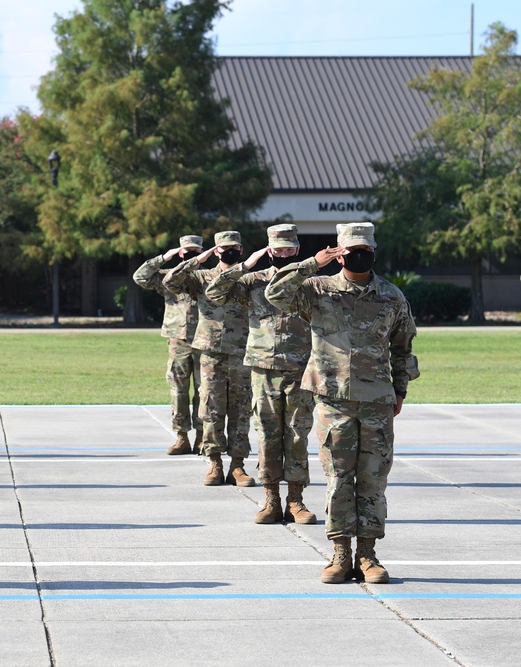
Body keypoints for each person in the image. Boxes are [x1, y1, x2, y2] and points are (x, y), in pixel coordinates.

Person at [265, 222, 419, 584]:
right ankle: (339, 554)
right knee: (337, 479)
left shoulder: (391, 296)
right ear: (339, 251)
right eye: (352, 250)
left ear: (374, 253)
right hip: (334, 401)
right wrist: (310, 264)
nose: (359, 255)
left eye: (365, 249)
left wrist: (400, 391)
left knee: (373, 480)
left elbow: (403, 347)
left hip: (377, 402)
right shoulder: (317, 290)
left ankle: (368, 556)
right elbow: (274, 294)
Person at [205, 224, 316, 524]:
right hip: (263, 369)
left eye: (289, 249)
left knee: (296, 434)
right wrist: (244, 265)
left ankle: (296, 500)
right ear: (269, 250)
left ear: (297, 250)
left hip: (299, 369)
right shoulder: (253, 282)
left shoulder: (309, 283)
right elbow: (214, 292)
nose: (283, 254)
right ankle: (271, 499)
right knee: (267, 435)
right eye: (277, 249)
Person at [163, 231, 255, 487]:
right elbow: (170, 282)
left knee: (241, 409)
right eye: (223, 248)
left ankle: (238, 465)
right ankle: (215, 462)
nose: (229, 252)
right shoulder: (200, 278)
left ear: (241, 249)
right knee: (211, 408)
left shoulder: (248, 277)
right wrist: (197, 259)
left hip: (241, 352)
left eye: (233, 247)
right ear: (215, 250)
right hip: (211, 352)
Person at [134, 235, 205, 455]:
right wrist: (165, 257)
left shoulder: (208, 277)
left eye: (195, 252)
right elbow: (140, 277)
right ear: (179, 253)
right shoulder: (167, 278)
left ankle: (203, 437)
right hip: (178, 340)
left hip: (205, 340)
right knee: (178, 390)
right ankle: (181, 437)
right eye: (186, 252)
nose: (190, 256)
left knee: (206, 392)